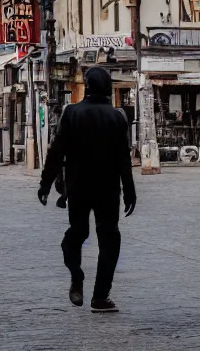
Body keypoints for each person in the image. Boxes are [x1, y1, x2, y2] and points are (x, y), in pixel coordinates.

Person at [38, 67, 136, 313]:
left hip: (78, 188)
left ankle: (76, 275)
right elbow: (124, 159)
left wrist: (46, 183)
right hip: (108, 190)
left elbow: (56, 151)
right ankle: (100, 296)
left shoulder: (71, 113)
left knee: (77, 233)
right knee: (109, 239)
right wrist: (130, 191)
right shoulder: (118, 117)